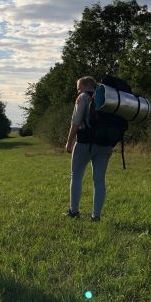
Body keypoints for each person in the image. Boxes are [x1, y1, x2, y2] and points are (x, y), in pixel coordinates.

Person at [65, 76, 113, 221]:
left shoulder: (83, 97)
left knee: (76, 176)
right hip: (105, 145)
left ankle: (74, 212)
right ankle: (96, 216)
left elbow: (75, 122)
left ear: (86, 85)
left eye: (79, 88)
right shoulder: (108, 97)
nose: (78, 91)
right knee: (99, 181)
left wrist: (69, 142)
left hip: (85, 143)